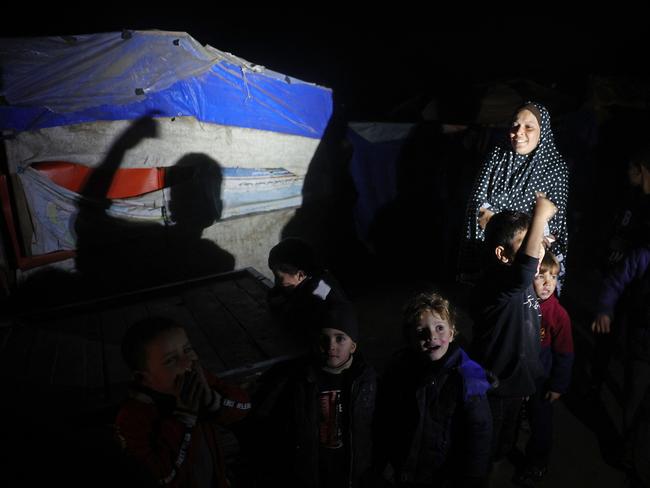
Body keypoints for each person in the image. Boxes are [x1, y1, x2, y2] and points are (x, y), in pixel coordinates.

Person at [469, 193, 557, 469]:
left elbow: (531, 265)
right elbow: (523, 269)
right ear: (502, 254)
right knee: (486, 445)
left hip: (519, 384)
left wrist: (539, 241)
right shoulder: (497, 283)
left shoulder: (522, 277)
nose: (538, 251)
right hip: (497, 384)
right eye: (527, 240)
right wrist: (540, 216)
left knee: (507, 439)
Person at [247, 300, 376, 487]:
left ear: (353, 346)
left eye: (340, 338)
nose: (331, 345)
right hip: (311, 473)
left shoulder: (367, 379)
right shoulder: (297, 378)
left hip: (352, 473)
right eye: (324, 338)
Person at [114, 316, 250, 488]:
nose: (188, 363)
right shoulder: (133, 418)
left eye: (187, 350)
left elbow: (244, 407)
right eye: (171, 360)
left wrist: (214, 401)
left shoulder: (199, 381)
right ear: (142, 378)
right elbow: (162, 477)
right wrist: (184, 421)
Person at [374, 291, 492, 488]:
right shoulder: (399, 368)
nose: (432, 336)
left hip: (445, 473)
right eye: (421, 332)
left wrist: (474, 477)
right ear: (409, 338)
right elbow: (386, 416)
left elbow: (480, 429)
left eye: (439, 328)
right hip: (406, 468)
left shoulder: (469, 376)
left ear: (452, 333)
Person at [461, 101, 569, 290]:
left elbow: (554, 224)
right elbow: (477, 202)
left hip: (530, 252)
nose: (518, 132)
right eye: (515, 125)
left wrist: (519, 238)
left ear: (542, 132)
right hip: (490, 246)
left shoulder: (555, 168)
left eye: (529, 127)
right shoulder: (497, 156)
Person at [592, 244, 650, 487]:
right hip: (643, 341)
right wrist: (605, 309)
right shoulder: (644, 254)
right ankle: (630, 452)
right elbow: (616, 280)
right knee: (635, 396)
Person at [514, 252, 574, 487]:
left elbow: (565, 353)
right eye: (541, 276)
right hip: (517, 374)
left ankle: (536, 464)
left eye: (554, 276)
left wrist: (558, 385)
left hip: (541, 379)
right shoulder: (518, 303)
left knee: (541, 423)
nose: (549, 283)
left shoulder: (559, 315)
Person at [267, 237, 348, 333]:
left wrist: (282, 306)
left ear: (300, 275)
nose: (276, 282)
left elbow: (298, 320)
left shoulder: (319, 291)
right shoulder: (302, 281)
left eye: (278, 277)